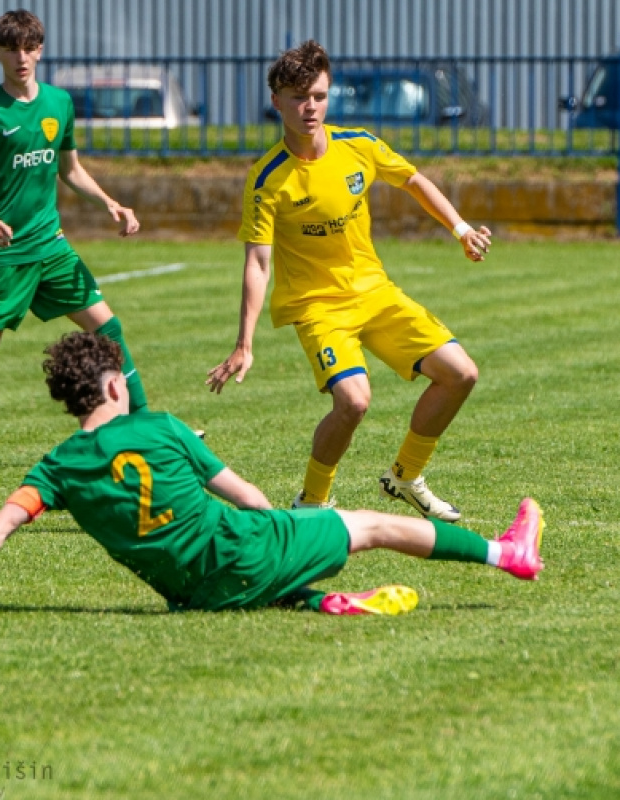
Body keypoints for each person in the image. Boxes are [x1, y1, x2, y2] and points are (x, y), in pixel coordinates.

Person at [0, 332, 544, 619]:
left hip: (193, 596)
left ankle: (314, 599)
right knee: (366, 524)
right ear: (116, 383)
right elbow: (248, 497)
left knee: (254, 565)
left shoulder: (56, 469)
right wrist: (294, 531)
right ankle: (505, 553)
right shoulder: (161, 428)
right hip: (244, 552)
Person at [206, 40, 493, 522]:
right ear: (276, 102)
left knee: (461, 373)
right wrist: (244, 343)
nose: (309, 107)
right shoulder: (267, 179)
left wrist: (460, 229)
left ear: (329, 94)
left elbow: (414, 180)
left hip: (375, 293)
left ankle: (406, 476)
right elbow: (258, 262)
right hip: (318, 308)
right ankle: (313, 503)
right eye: (298, 97)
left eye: (318, 95)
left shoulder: (357, 144)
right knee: (354, 401)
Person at [0, 8, 147, 469]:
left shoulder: (59, 103)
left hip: (51, 245)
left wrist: (109, 202)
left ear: (39, 50)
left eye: (29, 47)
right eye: (11, 49)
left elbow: (71, 169)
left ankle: (144, 427)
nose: (21, 57)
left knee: (108, 327)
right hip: (4, 254)